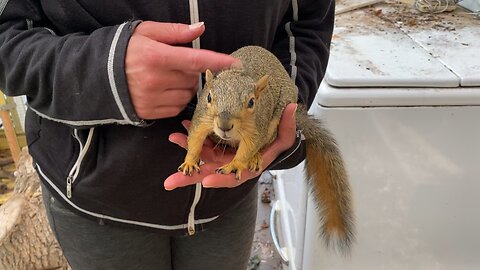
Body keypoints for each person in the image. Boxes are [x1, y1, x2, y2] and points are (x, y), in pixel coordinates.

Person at [0, 1, 334, 269]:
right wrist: (105, 73)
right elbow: (9, 37)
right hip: (100, 201)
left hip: (227, 201)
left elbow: (305, 22)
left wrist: (279, 117)